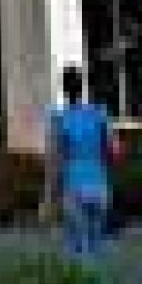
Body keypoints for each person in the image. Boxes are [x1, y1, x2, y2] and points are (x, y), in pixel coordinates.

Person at [48, 65, 119, 261]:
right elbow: (114, 150)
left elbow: (56, 159)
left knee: (76, 249)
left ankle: (81, 279)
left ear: (64, 90)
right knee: (97, 248)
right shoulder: (100, 114)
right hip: (99, 184)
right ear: (82, 88)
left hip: (73, 185)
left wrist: (49, 196)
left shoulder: (59, 119)